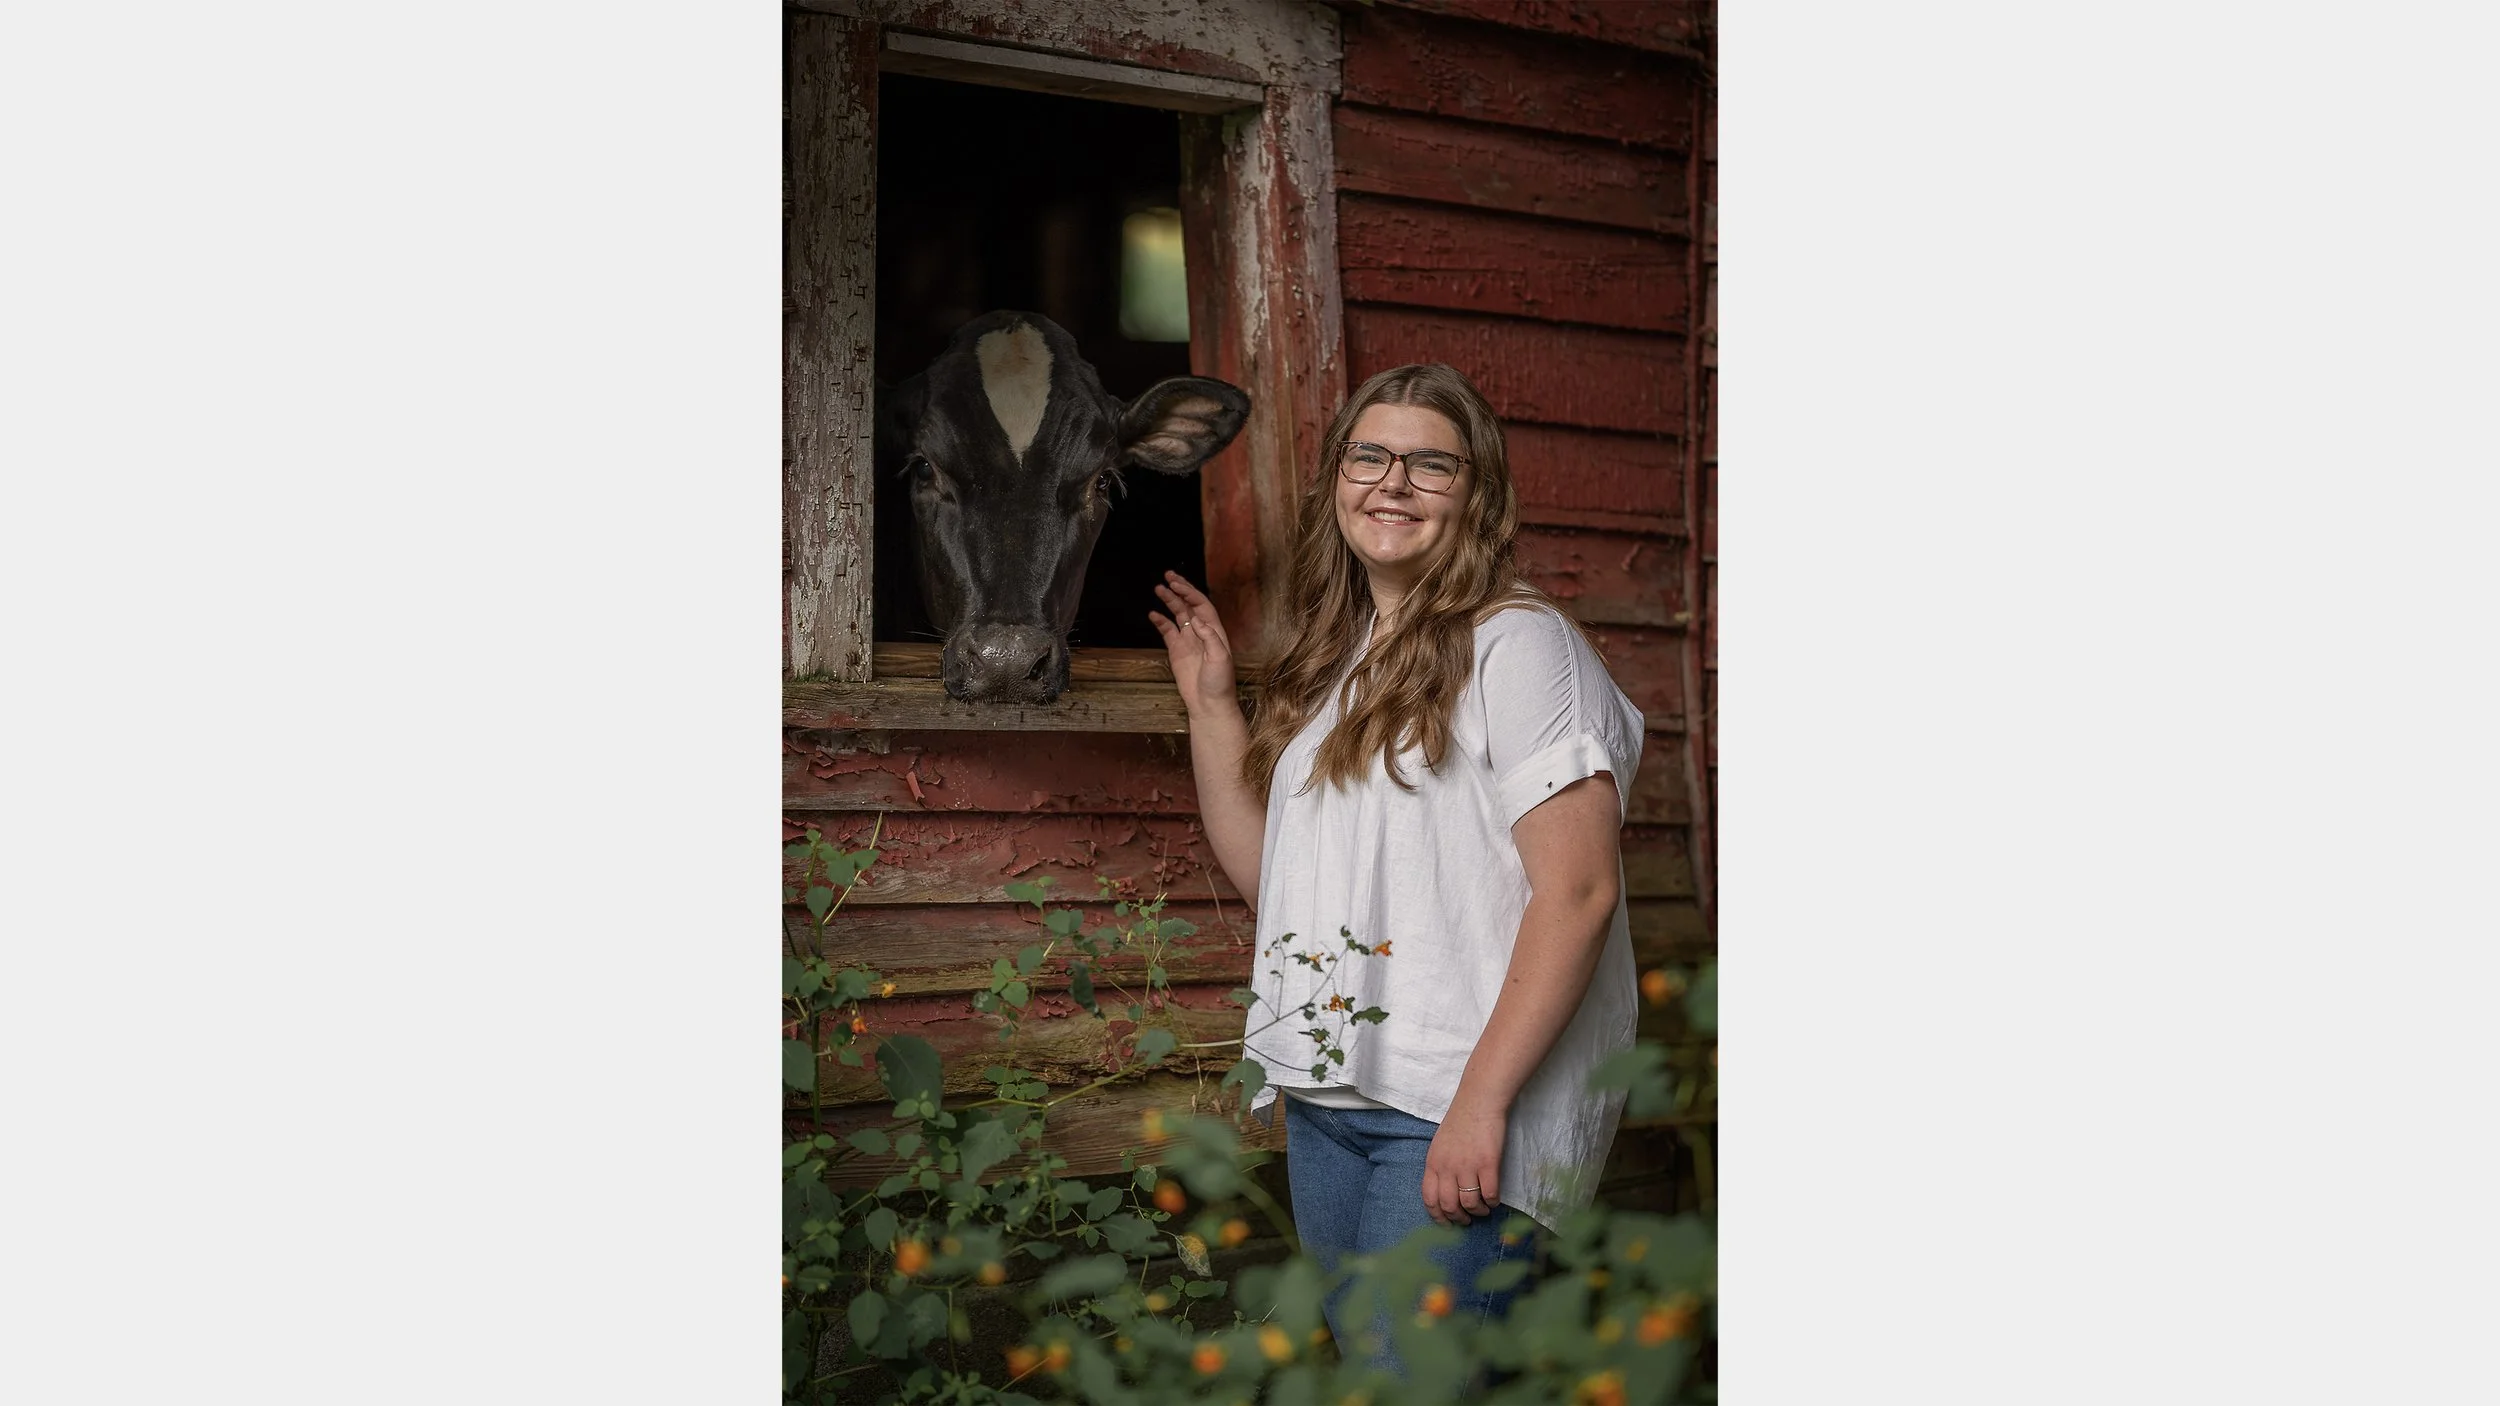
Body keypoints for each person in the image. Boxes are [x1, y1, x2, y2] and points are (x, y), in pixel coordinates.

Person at [1148, 362, 1644, 1361]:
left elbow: (1580, 891)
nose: (1393, 483)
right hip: (1334, 1099)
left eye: (1430, 464)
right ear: (1337, 478)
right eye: (1368, 456)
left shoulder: (1519, 644)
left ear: (1477, 490)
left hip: (1454, 1100)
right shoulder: (1348, 659)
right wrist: (1210, 706)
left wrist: (1480, 1105)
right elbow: (1279, 892)